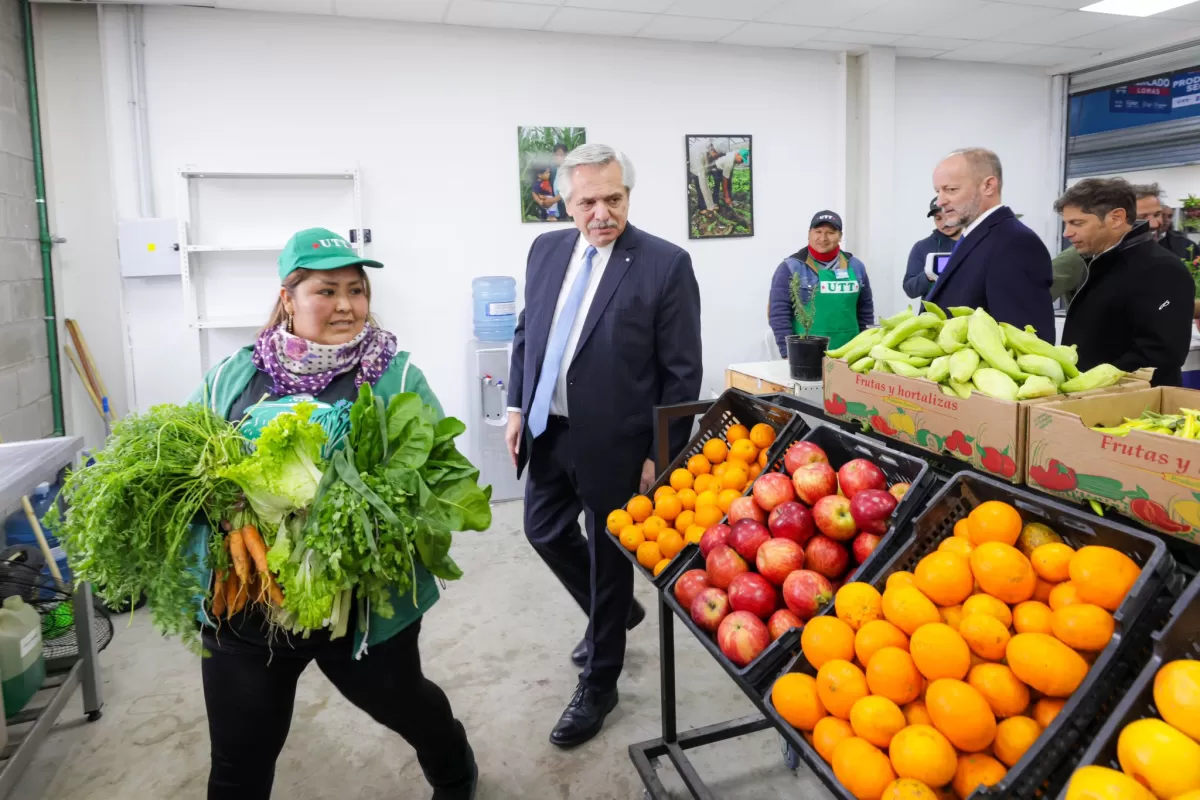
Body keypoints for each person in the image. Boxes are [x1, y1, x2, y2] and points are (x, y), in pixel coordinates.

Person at [188, 228, 476, 799]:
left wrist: (364, 510)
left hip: (359, 607)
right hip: (246, 601)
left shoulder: (394, 375)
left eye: (356, 290)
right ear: (288, 298)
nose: (346, 305)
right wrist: (227, 510)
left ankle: (454, 767)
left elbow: (437, 471)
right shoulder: (233, 376)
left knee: (407, 706)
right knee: (237, 764)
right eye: (326, 290)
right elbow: (186, 468)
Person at [505, 144, 702, 747]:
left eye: (613, 199)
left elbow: (681, 372)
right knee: (543, 531)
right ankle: (612, 615)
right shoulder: (545, 251)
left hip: (620, 442)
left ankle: (601, 681)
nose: (601, 213)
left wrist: (661, 456)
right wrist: (515, 405)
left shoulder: (664, 264)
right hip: (548, 428)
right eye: (588, 201)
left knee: (608, 561)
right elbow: (527, 332)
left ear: (627, 197)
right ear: (566, 202)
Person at [1057, 179, 1193, 387]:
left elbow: (1161, 352)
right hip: (1095, 400)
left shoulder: (1162, 269)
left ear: (1116, 218)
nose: (1067, 233)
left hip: (1133, 408)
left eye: (1077, 223)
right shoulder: (1099, 263)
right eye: (1066, 223)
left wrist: (1092, 384)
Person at [926, 148, 1055, 339]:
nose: (941, 201)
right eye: (938, 191)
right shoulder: (974, 236)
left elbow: (1025, 339)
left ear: (988, 186)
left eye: (951, 189)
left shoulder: (1015, 243)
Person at [768, 210, 874, 357]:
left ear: (840, 236)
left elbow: (865, 311)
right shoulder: (791, 267)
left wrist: (866, 346)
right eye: (818, 231)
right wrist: (788, 353)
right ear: (809, 233)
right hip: (806, 353)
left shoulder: (856, 266)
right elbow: (778, 314)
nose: (823, 238)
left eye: (830, 232)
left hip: (851, 352)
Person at [903, 198, 963, 299]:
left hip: (971, 313)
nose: (945, 223)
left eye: (949, 215)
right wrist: (928, 275)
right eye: (938, 218)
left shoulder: (976, 241)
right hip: (933, 314)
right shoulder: (922, 247)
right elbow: (910, 290)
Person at [687, 138, 720, 212]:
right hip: (695, 168)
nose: (717, 157)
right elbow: (704, 186)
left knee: (706, 186)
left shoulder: (711, 147)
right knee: (700, 187)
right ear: (713, 150)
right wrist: (710, 208)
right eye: (716, 155)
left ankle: (710, 204)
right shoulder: (700, 153)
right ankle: (702, 207)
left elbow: (710, 164)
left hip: (703, 164)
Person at [551, 142, 570, 220]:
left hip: (566, 214)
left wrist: (552, 200)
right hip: (554, 214)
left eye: (560, 155)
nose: (557, 157)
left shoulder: (569, 172)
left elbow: (569, 191)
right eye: (556, 154)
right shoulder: (553, 172)